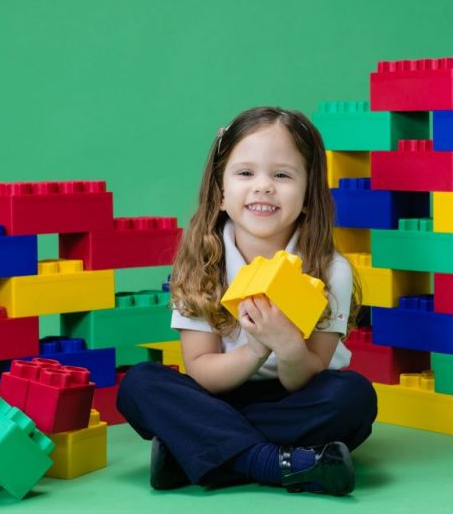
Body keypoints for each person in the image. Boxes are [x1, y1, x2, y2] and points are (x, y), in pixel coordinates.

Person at [117, 107, 378, 496]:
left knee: (354, 397)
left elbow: (309, 374)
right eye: (245, 173)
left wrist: (288, 346)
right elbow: (202, 371)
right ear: (220, 192)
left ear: (309, 195)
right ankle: (278, 463)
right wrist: (255, 348)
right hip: (217, 397)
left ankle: (196, 452)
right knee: (140, 384)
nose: (263, 187)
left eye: (282, 175)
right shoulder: (201, 263)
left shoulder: (329, 270)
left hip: (297, 397)